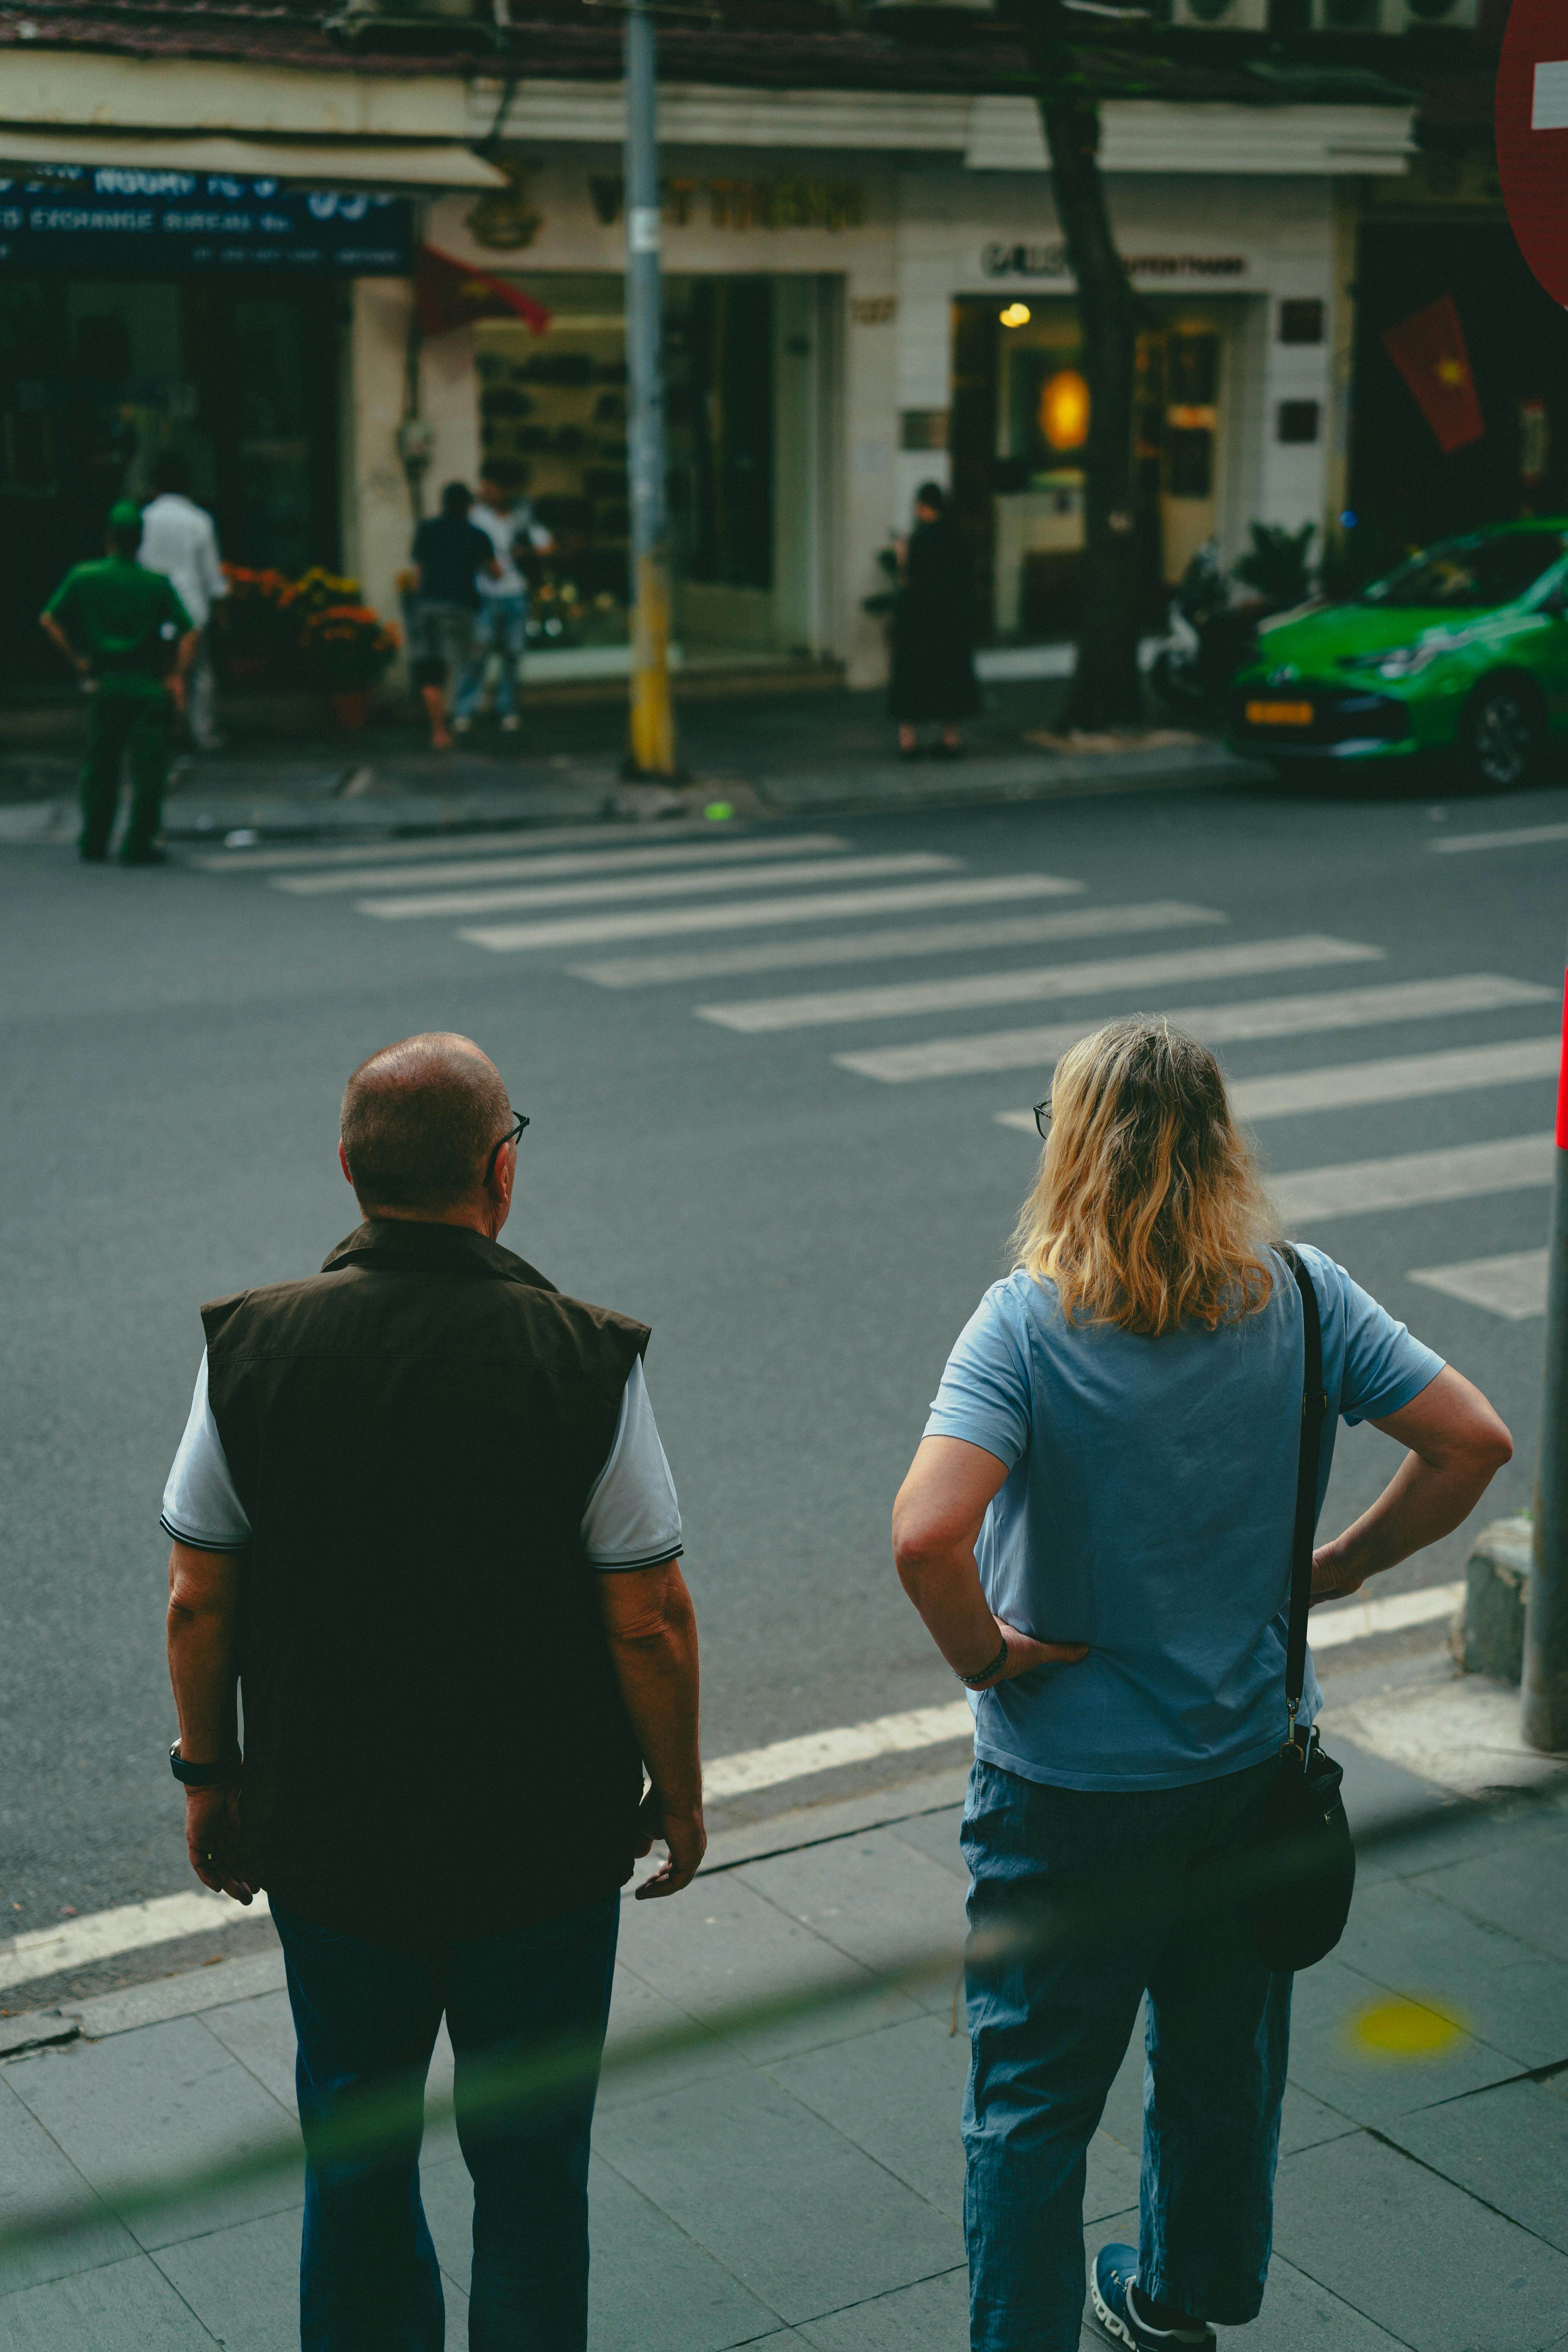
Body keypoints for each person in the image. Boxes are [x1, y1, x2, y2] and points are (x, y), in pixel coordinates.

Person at [891, 1016, 1512, 2352]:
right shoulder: (1302, 1293)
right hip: (1242, 1778)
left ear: (1070, 1151)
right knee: (1220, 2073)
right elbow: (1471, 1442)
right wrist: (1334, 1570)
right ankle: (1181, 2302)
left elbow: (927, 1537)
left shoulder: (1026, 1323)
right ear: (1221, 1149)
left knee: (1031, 2106)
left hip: (1062, 1793)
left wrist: (993, 1660)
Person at [161, 1032, 704, 2352]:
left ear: (348, 1170)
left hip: (336, 1841)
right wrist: (678, 1798)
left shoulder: (250, 1349)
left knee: (354, 2158)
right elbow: (649, 1616)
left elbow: (198, 1596)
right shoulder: (585, 1357)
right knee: (528, 2176)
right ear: (500, 1175)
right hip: (542, 1850)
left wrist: (211, 1775)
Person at [40, 499, 197, 866]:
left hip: (106, 684)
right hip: (146, 687)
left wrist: (79, 660)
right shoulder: (156, 584)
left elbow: (49, 619)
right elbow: (190, 633)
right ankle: (139, 843)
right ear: (139, 540)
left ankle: (95, 838)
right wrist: (175, 675)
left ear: (109, 537)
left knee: (101, 766)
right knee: (148, 772)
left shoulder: (85, 576)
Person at [454, 462, 555, 739]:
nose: (485, 491)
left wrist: (527, 553)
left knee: (513, 654)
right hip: (485, 594)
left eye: (490, 486)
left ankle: (506, 709)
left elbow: (547, 544)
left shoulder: (520, 517)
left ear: (502, 490)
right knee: (478, 653)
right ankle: (464, 710)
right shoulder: (477, 517)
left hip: (516, 593)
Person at [138, 451, 228, 751]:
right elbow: (212, 573)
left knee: (156, 673)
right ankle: (203, 734)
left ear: (154, 485)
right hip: (192, 609)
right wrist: (221, 607)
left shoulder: (144, 520)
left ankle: (159, 732)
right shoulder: (199, 521)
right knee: (200, 674)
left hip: (154, 610)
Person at [888, 480, 979, 762]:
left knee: (911, 677)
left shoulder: (919, 540)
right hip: (951, 621)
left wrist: (901, 555)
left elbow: (908, 581)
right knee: (949, 676)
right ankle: (950, 739)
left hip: (919, 621)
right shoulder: (959, 538)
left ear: (924, 508)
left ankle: (909, 741)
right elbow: (967, 582)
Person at [407, 482, 498, 750]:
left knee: (432, 669)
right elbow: (496, 572)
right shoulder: (476, 535)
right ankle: (459, 720)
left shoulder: (427, 530)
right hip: (460, 607)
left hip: (428, 605)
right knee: (461, 664)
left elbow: (417, 577)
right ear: (468, 506)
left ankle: (438, 731)